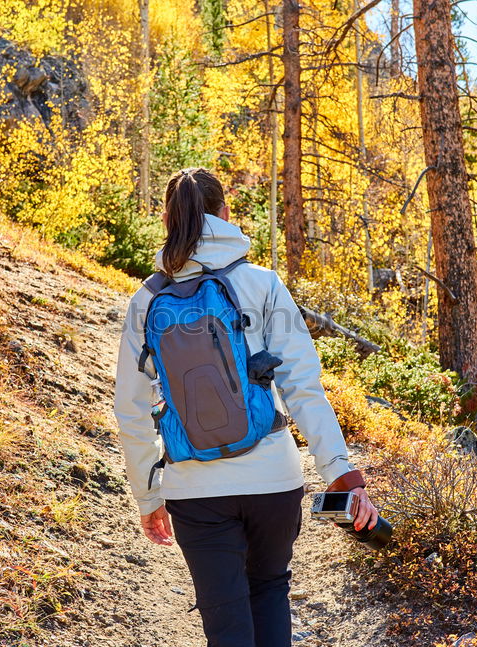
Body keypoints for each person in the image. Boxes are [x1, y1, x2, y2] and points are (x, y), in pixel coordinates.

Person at [114, 167, 377, 647]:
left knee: (226, 624)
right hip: (273, 479)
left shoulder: (146, 300)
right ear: (225, 214)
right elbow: (303, 386)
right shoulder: (263, 283)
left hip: (193, 489)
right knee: (270, 589)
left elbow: (130, 410)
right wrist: (341, 472)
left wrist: (149, 496)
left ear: (169, 221)